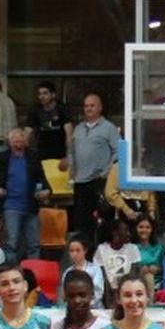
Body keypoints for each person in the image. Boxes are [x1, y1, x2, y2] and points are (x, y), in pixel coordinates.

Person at [0, 128, 50, 261]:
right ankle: (10, 272)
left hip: (31, 207)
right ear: (9, 143)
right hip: (10, 207)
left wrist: (47, 191)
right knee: (11, 244)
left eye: (21, 141)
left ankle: (34, 273)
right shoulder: (1, 158)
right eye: (15, 142)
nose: (18, 145)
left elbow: (42, 179)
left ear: (26, 142)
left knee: (34, 244)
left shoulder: (33, 157)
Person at [69, 93, 120, 238]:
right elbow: (72, 152)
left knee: (104, 222)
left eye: (92, 105)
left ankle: (103, 254)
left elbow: (118, 152)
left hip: (100, 182)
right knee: (82, 224)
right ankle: (87, 256)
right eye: (86, 106)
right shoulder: (78, 129)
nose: (88, 109)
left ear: (100, 108)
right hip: (80, 183)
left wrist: (107, 170)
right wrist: (72, 171)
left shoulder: (109, 128)